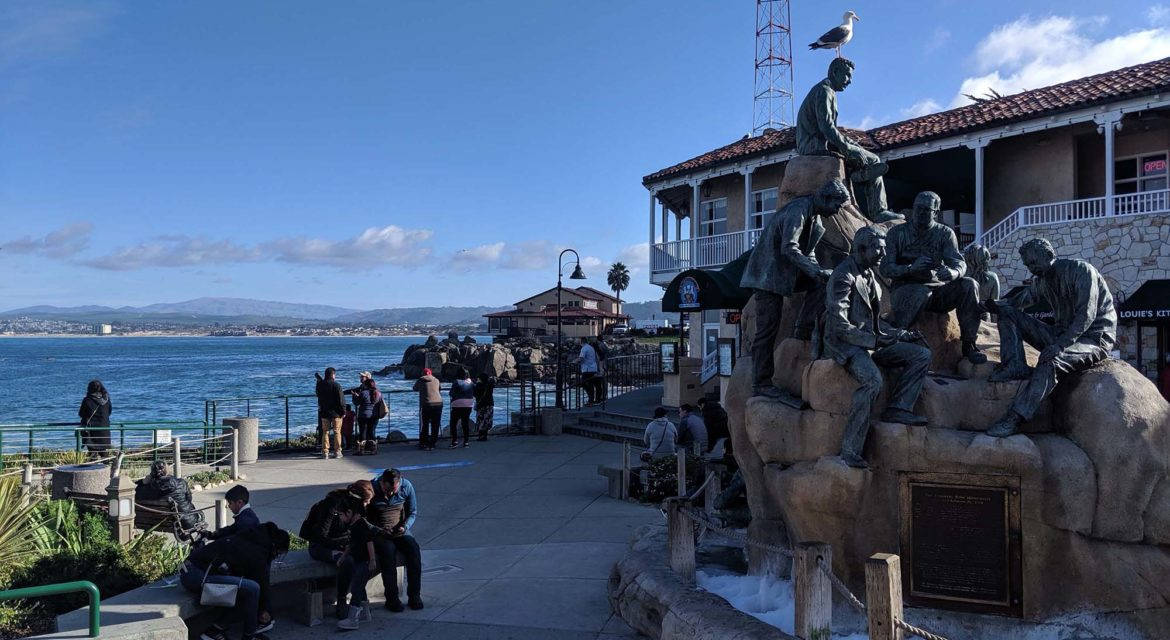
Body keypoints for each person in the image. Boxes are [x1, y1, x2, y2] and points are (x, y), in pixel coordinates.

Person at [985, 238, 1117, 437]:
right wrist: (993, 305)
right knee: (1008, 312)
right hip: (1061, 334)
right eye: (1028, 265)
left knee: (1051, 360)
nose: (1031, 268)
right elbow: (1018, 301)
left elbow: (1086, 315)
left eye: (1033, 262)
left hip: (1093, 338)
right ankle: (1014, 365)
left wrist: (1060, 346)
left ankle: (1015, 418)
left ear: (1048, 255)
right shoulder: (1042, 281)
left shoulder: (1081, 270)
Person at [825, 227, 931, 469]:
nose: (884, 253)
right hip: (847, 345)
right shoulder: (843, 276)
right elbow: (839, 325)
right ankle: (850, 449)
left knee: (921, 354)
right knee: (873, 381)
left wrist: (898, 334)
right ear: (862, 249)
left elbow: (875, 322)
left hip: (871, 341)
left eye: (884, 248)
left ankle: (898, 408)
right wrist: (873, 341)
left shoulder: (869, 276)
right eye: (879, 248)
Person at [740, 179, 850, 402]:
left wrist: (818, 271)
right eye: (837, 205)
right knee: (767, 331)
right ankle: (761, 383)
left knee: (821, 282)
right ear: (826, 198)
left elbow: (807, 252)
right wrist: (814, 270)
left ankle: (803, 329)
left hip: (784, 273)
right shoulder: (798, 210)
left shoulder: (815, 218)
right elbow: (790, 247)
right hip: (767, 275)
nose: (837, 211)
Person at [879, 191, 987, 366]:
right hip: (906, 289)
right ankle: (895, 339)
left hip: (937, 292)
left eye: (926, 210)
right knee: (920, 292)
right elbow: (885, 268)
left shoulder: (945, 233)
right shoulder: (897, 233)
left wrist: (953, 273)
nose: (920, 212)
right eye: (917, 208)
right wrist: (910, 268)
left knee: (969, 284)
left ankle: (969, 345)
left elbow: (959, 263)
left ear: (936, 212)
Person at [795, 57, 902, 223]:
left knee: (859, 152)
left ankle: (859, 175)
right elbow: (827, 128)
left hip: (818, 142)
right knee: (874, 159)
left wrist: (851, 144)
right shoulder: (824, 91)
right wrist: (848, 148)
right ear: (834, 72)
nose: (850, 81)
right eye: (847, 75)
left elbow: (831, 130)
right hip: (812, 145)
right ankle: (878, 210)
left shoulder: (825, 90)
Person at [181, 521, 290, 640]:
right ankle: (249, 636)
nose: (276, 556)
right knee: (252, 589)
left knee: (244, 592)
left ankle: (215, 630)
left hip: (193, 571)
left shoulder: (254, 537)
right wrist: (265, 610)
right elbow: (261, 583)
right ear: (274, 546)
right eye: (278, 553)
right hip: (196, 576)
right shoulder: (258, 553)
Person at [301, 480, 374, 619]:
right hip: (320, 546)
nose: (368, 505)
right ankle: (341, 600)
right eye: (366, 501)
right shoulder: (331, 505)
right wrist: (342, 545)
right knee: (347, 561)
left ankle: (360, 602)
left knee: (360, 560)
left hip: (343, 545)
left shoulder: (358, 509)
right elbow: (320, 536)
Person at [372, 468, 423, 610]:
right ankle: (392, 598)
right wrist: (378, 530)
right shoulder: (372, 489)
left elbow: (412, 512)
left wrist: (405, 526)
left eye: (393, 490)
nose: (391, 494)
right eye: (387, 490)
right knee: (388, 553)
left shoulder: (406, 487)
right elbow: (366, 518)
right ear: (382, 483)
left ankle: (414, 595)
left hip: (399, 529)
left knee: (413, 550)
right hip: (380, 531)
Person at [135, 461, 205, 537]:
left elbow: (132, 492)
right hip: (186, 521)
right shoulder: (181, 483)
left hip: (150, 522)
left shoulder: (146, 488)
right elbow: (189, 499)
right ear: (167, 470)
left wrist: (142, 482)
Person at [315, 368, 346, 459]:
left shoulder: (320, 385)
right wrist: (343, 411)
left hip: (324, 412)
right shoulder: (336, 385)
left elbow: (318, 394)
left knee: (325, 432)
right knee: (337, 432)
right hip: (336, 413)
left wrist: (319, 382)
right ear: (332, 375)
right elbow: (341, 400)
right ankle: (337, 451)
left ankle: (325, 452)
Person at [351, 374, 383, 456]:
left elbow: (356, 403)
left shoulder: (363, 393)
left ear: (366, 385)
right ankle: (374, 450)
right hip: (374, 415)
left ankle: (361, 451)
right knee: (371, 432)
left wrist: (354, 396)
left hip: (363, 415)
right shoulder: (379, 393)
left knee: (363, 433)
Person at [79, 379, 112, 455]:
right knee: (103, 453)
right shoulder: (106, 399)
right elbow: (109, 412)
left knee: (92, 453)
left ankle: (93, 465)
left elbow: (81, 414)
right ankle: (107, 466)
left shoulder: (87, 400)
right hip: (104, 429)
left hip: (91, 431)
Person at [413, 368, 442, 451]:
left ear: (423, 374)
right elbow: (439, 389)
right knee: (435, 424)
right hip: (438, 403)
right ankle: (433, 443)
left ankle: (423, 442)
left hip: (427, 404)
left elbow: (415, 388)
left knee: (425, 424)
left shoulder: (421, 380)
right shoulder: (436, 380)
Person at [448, 367, 475, 449]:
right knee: (465, 423)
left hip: (457, 404)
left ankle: (454, 441)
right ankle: (466, 442)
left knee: (453, 423)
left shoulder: (456, 382)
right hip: (469, 404)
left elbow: (451, 393)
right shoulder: (471, 383)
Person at [576, 339, 601, 404]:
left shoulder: (584, 348)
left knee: (584, 383)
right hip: (593, 368)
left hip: (587, 369)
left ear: (581, 342)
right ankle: (597, 399)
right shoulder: (591, 348)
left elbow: (581, 358)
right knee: (595, 384)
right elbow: (596, 358)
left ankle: (591, 399)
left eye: (578, 342)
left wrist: (575, 361)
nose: (578, 343)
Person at [474, 373, 495, 441]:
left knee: (480, 419)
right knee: (487, 420)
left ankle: (480, 436)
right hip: (489, 404)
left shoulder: (478, 385)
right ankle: (485, 435)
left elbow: (475, 394)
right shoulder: (490, 385)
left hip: (481, 405)